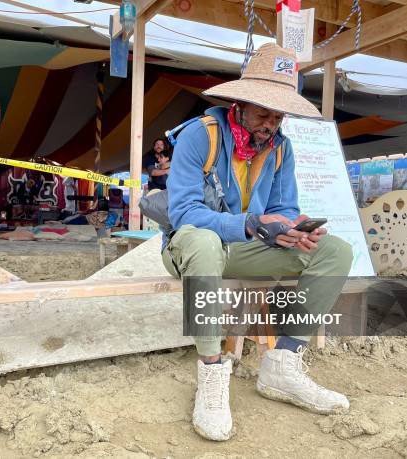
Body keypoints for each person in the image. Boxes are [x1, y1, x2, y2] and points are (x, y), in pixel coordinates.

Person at [164, 43, 353, 441]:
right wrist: (250, 224)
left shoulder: (281, 148)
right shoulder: (200, 136)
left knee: (336, 250)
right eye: (264, 112)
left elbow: (285, 207)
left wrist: (298, 228)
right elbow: (182, 213)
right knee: (201, 242)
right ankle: (212, 372)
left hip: (245, 250)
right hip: (192, 249)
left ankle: (282, 364)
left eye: (278, 114)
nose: (271, 123)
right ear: (241, 104)